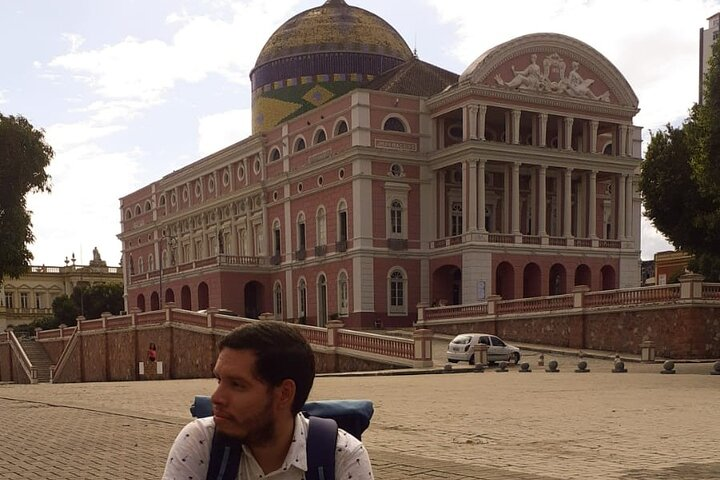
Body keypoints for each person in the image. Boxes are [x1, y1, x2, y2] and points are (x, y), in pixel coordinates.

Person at [162, 321, 374, 479]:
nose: (216, 398)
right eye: (219, 380)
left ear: (284, 394)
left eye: (237, 385)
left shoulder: (342, 456)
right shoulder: (201, 442)